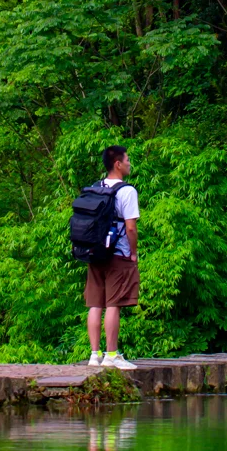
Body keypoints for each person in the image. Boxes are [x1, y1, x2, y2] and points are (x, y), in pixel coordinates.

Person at [85, 144, 139, 369]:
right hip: (118, 254)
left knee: (95, 304)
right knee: (114, 303)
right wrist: (133, 253)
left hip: (95, 252)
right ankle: (112, 355)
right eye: (127, 160)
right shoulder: (127, 191)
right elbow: (131, 229)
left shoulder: (96, 187)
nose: (129, 163)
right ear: (117, 164)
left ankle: (94, 356)